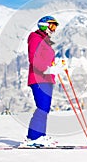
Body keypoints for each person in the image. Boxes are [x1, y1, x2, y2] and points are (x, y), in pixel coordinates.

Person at [22, 15, 62, 147]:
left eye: (55, 26)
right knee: (42, 108)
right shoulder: (35, 38)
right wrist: (48, 69)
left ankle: (39, 136)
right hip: (39, 78)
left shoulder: (45, 41)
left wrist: (55, 67)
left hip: (46, 79)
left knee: (45, 108)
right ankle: (34, 137)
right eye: (52, 25)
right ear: (43, 25)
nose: (53, 29)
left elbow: (45, 58)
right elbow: (34, 59)